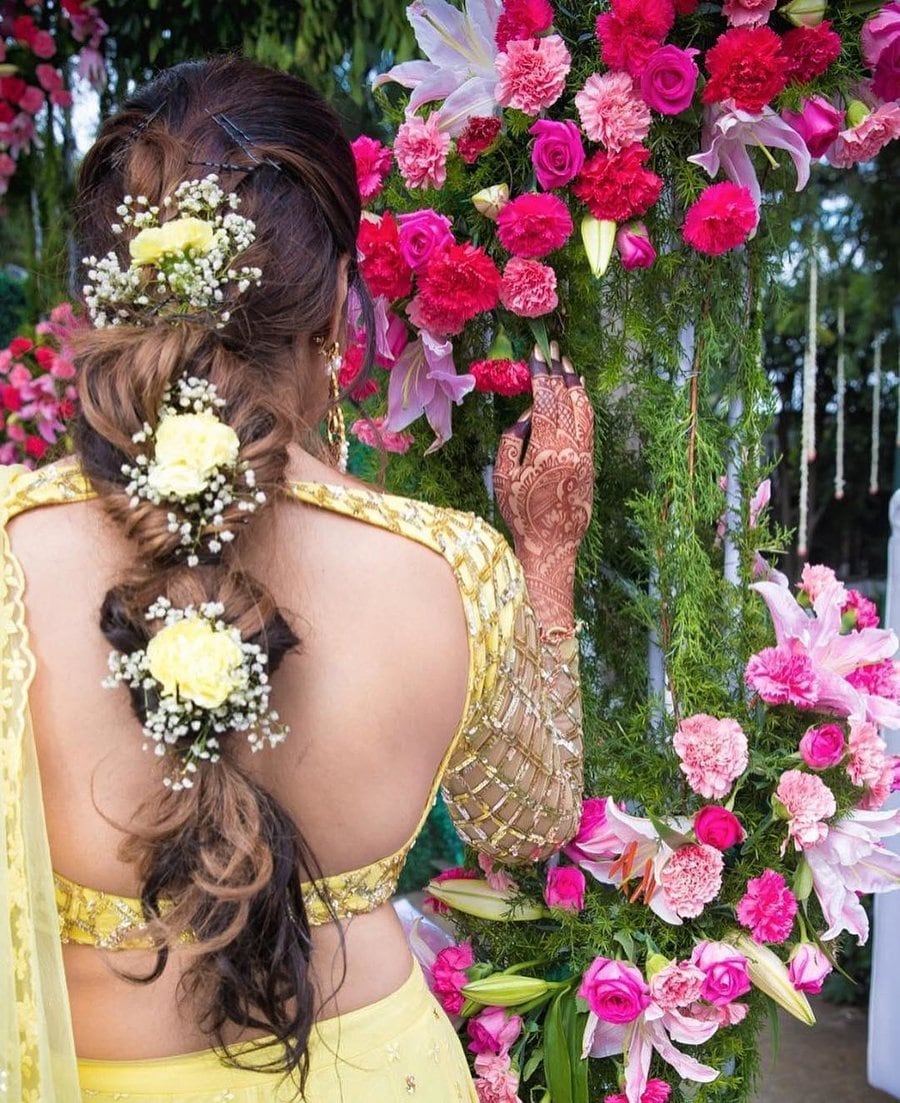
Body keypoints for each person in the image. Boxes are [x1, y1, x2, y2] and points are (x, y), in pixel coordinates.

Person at [0, 58, 593, 1102]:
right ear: (332, 320)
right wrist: (545, 565)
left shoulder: (12, 545)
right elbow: (530, 821)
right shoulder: (449, 568)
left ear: (109, 301)